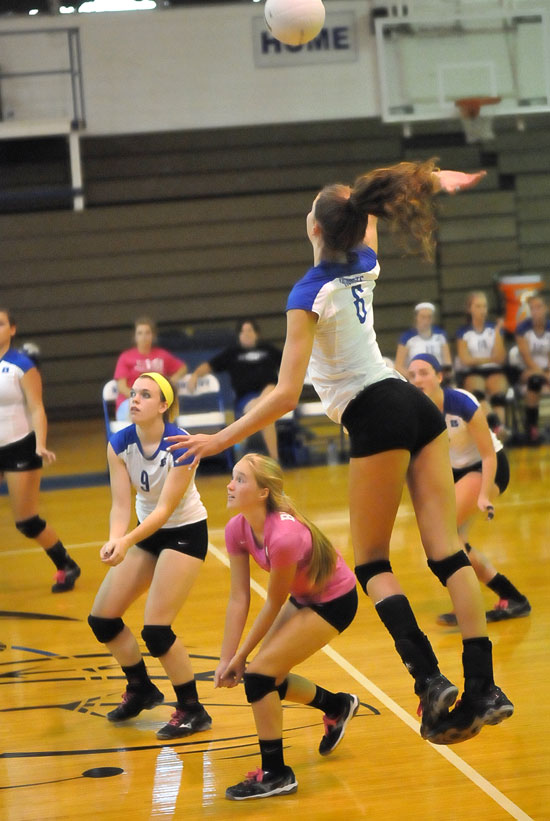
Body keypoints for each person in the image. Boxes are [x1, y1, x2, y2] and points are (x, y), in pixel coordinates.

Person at [169, 160, 513, 747]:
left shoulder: (308, 292)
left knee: (374, 563)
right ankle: (483, 686)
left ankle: (429, 680)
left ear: (314, 229)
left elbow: (282, 394)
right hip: (415, 404)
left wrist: (219, 440)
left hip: (375, 411)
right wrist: (430, 178)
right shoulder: (365, 262)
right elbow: (368, 207)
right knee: (446, 553)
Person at [218, 453, 359, 800]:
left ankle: (277, 774)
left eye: (240, 479)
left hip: (335, 600)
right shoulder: (236, 528)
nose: (230, 485)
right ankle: (336, 706)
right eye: (232, 477)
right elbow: (239, 598)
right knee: (268, 678)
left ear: (263, 492)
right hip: (302, 596)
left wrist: (243, 657)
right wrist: (227, 658)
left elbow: (273, 602)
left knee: (259, 676)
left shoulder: (282, 536)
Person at [88, 372, 212, 740]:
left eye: (145, 394)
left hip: (184, 534)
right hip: (147, 533)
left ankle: (192, 709)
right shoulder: (119, 444)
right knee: (103, 619)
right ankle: (141, 688)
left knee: (157, 630)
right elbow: (121, 503)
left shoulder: (182, 445)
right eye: (133, 393)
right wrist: (115, 540)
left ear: (163, 406)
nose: (135, 399)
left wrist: (126, 542)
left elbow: (164, 510)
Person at [407, 353, 530, 625]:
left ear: (439, 377)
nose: (417, 379)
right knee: (453, 543)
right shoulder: (415, 411)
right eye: (412, 375)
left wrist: (485, 494)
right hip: (455, 472)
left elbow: (489, 455)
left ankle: (475, 603)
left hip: (487, 466)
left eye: (424, 372)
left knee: (444, 536)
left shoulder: (461, 402)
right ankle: (510, 598)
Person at [0, 308, 80, 593]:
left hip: (20, 446)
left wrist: (41, 444)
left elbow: (37, 408)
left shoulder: (22, 365)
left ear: (12, 330)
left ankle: (66, 565)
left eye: (0, 324)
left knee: (26, 522)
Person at [186, 319, 282, 461]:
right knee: (265, 413)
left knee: (270, 388)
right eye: (243, 331)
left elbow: (289, 362)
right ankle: (275, 460)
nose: (247, 334)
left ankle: (268, 454)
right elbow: (209, 365)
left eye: (250, 330)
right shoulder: (233, 353)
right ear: (239, 336)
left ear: (257, 334)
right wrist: (195, 375)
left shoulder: (268, 350)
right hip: (246, 400)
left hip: (271, 395)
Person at [455, 291, 510, 433]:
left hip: (493, 370)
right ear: (470, 309)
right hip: (472, 371)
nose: (482, 310)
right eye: (478, 306)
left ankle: (499, 432)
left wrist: (498, 333)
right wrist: (489, 358)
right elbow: (465, 359)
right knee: (478, 393)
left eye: (484, 306)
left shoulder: (494, 329)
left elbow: (500, 357)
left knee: (498, 396)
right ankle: (495, 426)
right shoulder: (463, 332)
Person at [113, 316, 187, 421]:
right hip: (130, 402)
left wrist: (171, 381)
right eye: (140, 333)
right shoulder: (125, 357)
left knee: (167, 409)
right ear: (135, 337)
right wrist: (140, 398)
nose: (144, 336)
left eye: (147, 333)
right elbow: (122, 387)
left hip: (156, 402)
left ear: (153, 336)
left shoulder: (162, 355)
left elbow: (182, 368)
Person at [514, 294, 550, 444]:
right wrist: (544, 374)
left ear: (546, 308)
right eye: (532, 308)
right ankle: (532, 427)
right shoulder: (522, 329)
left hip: (547, 369)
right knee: (535, 380)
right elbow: (526, 356)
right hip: (528, 369)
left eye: (538, 307)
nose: (535, 311)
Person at [394, 302, 452, 378]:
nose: (426, 321)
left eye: (429, 317)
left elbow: (447, 362)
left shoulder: (441, 335)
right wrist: (414, 377)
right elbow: (398, 366)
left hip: (438, 378)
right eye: (423, 317)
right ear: (416, 317)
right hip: (416, 379)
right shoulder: (407, 337)